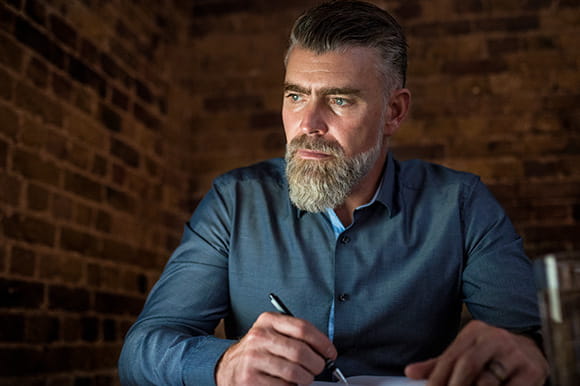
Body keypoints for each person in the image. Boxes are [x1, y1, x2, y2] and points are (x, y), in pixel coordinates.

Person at [118, 1, 549, 385]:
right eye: (295, 96)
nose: (308, 125)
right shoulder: (235, 201)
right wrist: (223, 363)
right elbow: (141, 351)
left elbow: (533, 340)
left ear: (393, 112)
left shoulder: (461, 204)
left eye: (339, 100)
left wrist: (526, 352)